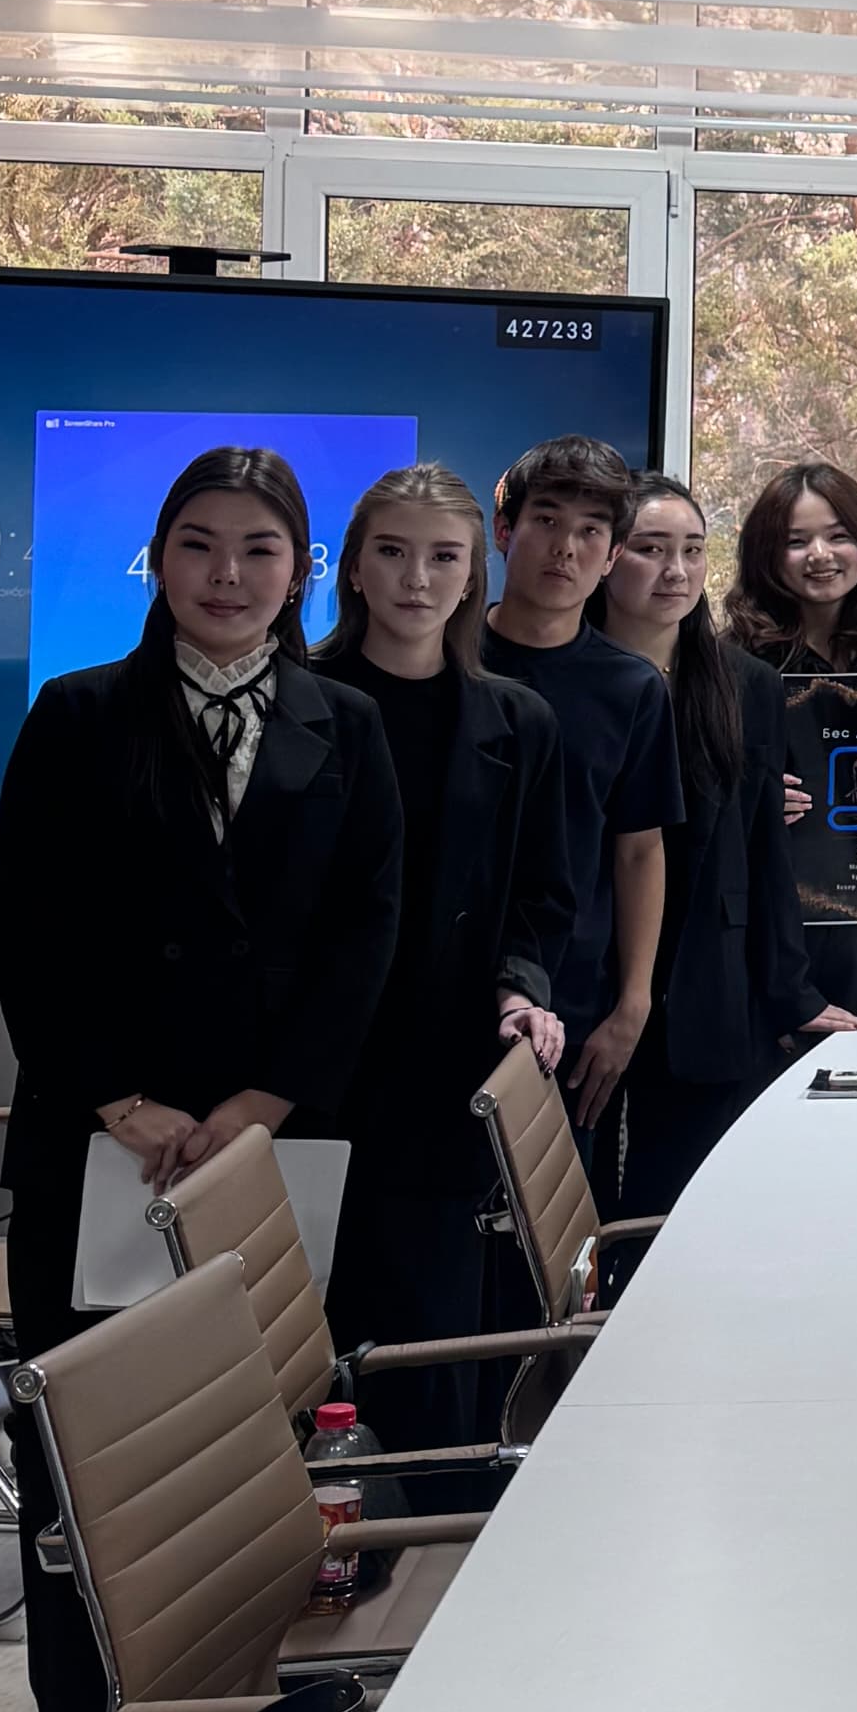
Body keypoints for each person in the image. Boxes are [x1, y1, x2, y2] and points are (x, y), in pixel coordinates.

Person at [0, 446, 404, 1712]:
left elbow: (366, 931)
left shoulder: (349, 722)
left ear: (300, 570)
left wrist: (267, 1098)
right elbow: (28, 931)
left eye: (259, 548)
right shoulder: (77, 712)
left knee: (245, 1447)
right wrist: (119, 1099)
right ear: (159, 560)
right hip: (98, 1140)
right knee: (86, 1450)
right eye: (198, 544)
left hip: (269, 1145)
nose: (228, 573)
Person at [313, 462, 572, 1482]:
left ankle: (426, 1544)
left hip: (442, 1068)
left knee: (427, 1336)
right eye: (392, 551)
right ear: (352, 567)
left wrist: (521, 991)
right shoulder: (295, 699)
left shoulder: (519, 721)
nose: (416, 578)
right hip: (308, 1073)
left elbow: (542, 896)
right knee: (303, 1335)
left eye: (443, 556)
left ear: (473, 575)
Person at [602, 475, 856, 1230]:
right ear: (607, 557)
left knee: (689, 1208)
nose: (675, 571)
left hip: (710, 976)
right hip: (592, 973)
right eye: (650, 549)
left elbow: (765, 857)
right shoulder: (568, 677)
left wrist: (793, 994)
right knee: (582, 1204)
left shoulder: (746, 683)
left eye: (692, 550)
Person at [483, 436, 681, 1172]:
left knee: (554, 1213)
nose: (565, 548)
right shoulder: (445, 657)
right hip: (439, 986)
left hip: (573, 999)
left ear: (612, 554)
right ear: (504, 531)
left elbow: (639, 850)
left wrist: (632, 1007)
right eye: (546, 521)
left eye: (590, 531)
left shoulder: (631, 687)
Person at [725, 461, 857, 1015]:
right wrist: (752, 801)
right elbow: (702, 795)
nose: (820, 555)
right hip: (776, 923)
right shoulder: (734, 664)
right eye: (796, 541)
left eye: (838, 536)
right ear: (766, 553)